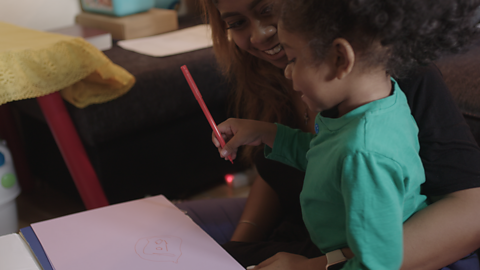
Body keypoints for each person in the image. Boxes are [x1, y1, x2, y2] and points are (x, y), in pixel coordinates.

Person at [176, 0, 480, 269]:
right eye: (236, 23)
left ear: (339, 59)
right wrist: (266, 132)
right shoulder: (376, 100)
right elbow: (323, 155)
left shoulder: (364, 155)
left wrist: (316, 266)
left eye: (294, 61)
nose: (287, 72)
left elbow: (378, 261)